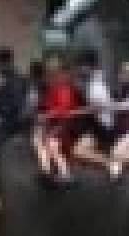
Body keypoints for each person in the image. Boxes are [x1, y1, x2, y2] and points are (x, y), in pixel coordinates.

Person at [34, 54, 81, 186]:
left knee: (52, 144)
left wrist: (46, 115)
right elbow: (48, 106)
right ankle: (46, 171)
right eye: (49, 72)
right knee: (39, 140)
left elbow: (63, 109)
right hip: (53, 123)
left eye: (54, 72)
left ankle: (66, 174)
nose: (51, 76)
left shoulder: (65, 89)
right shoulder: (53, 88)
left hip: (65, 125)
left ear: (63, 73)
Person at [72, 49, 115, 171]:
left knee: (78, 151)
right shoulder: (95, 81)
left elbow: (95, 108)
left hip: (102, 128)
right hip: (99, 125)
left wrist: (73, 112)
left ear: (89, 66)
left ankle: (110, 163)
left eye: (81, 66)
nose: (79, 69)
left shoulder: (96, 84)